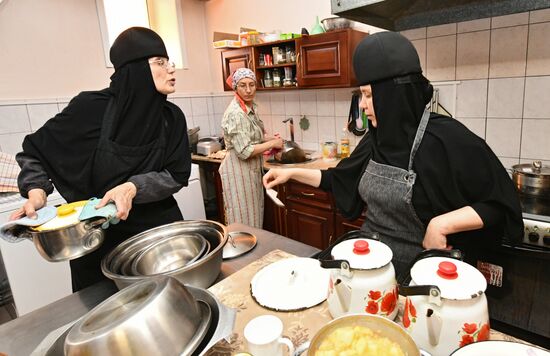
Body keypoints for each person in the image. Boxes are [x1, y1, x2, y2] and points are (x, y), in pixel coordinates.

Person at [263, 32, 523, 280]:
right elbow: (339, 179)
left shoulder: (447, 139)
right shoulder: (376, 138)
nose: (362, 106)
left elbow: (500, 204)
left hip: (419, 273)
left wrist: (441, 225)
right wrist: (290, 173)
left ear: (392, 95)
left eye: (368, 95)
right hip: (368, 259)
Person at [10, 27, 192, 291]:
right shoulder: (90, 108)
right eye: (160, 62)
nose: (171, 69)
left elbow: (176, 175)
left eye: (169, 61)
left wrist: (132, 187)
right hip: (95, 240)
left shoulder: (171, 117)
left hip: (155, 237)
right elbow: (35, 152)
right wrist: (37, 193)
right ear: (135, 68)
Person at [219, 68, 283, 228]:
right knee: (244, 225)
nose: (248, 90)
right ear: (235, 87)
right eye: (242, 85)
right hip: (238, 172)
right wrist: (272, 144)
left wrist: (272, 139)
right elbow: (245, 151)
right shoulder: (236, 114)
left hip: (249, 171)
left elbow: (254, 137)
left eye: (252, 85)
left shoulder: (248, 108)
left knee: (253, 221)